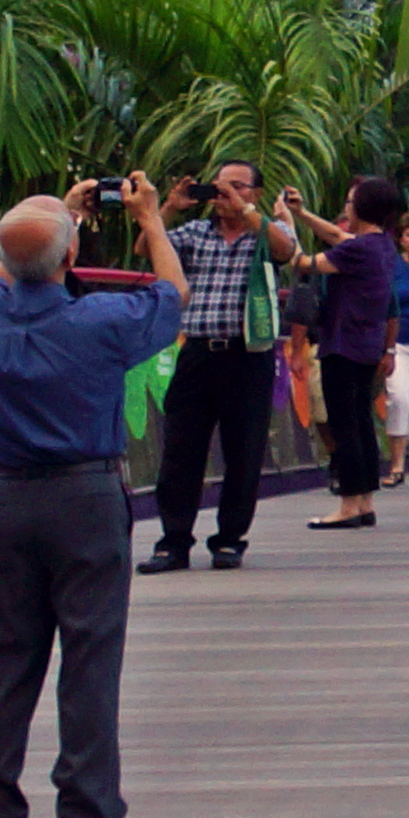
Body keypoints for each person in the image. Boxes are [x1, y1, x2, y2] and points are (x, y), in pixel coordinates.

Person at [0, 176, 185, 818]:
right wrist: (150, 219)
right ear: (71, 255)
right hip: (85, 498)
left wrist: (55, 217)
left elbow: (10, 267)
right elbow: (172, 297)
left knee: (2, 659)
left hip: (9, 500)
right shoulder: (102, 320)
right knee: (88, 658)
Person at [145, 158, 289, 576]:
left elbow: (287, 249)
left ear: (256, 194)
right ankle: (173, 542)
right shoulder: (195, 233)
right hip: (199, 353)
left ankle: (229, 540)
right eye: (218, 186)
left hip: (249, 357)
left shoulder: (264, 233)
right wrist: (168, 209)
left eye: (237, 186)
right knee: (180, 451)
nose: (224, 194)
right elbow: (146, 250)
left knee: (243, 452)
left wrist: (247, 214)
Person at [303, 176, 407, 530]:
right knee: (361, 422)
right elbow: (337, 237)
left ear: (361, 207)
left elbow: (306, 262)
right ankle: (364, 500)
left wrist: (273, 227)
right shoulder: (381, 245)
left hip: (341, 343)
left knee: (343, 424)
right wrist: (300, 215)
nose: (347, 207)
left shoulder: (358, 250)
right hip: (367, 344)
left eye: (350, 201)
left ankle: (348, 503)